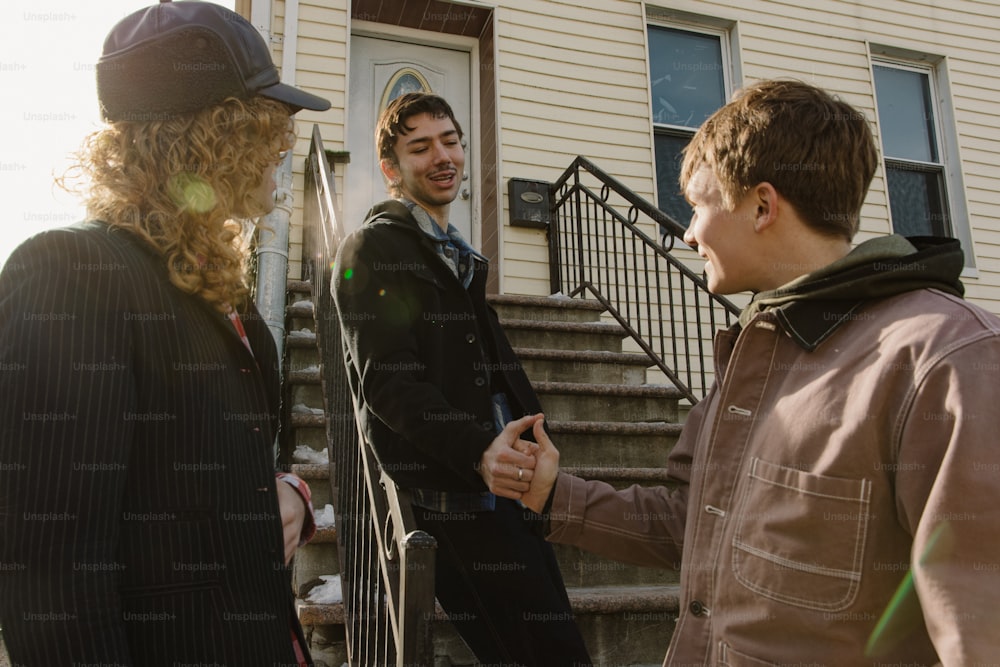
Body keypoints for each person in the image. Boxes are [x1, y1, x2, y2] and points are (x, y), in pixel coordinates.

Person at [502, 79, 1000, 666]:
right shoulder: (752, 351)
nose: (687, 234)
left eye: (698, 205)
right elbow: (696, 524)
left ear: (762, 206)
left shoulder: (949, 359)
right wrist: (556, 495)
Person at [0, 3, 331, 665]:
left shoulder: (217, 291)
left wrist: (288, 491)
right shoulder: (74, 271)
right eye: (267, 126)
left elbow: (196, 474)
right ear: (214, 134)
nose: (283, 147)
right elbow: (52, 577)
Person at [333, 92, 593, 666]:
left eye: (450, 141)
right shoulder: (372, 247)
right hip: (454, 498)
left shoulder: (458, 256)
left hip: (510, 489)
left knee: (556, 648)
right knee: (541, 654)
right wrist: (478, 452)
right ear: (391, 168)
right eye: (419, 147)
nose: (441, 156)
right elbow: (388, 383)